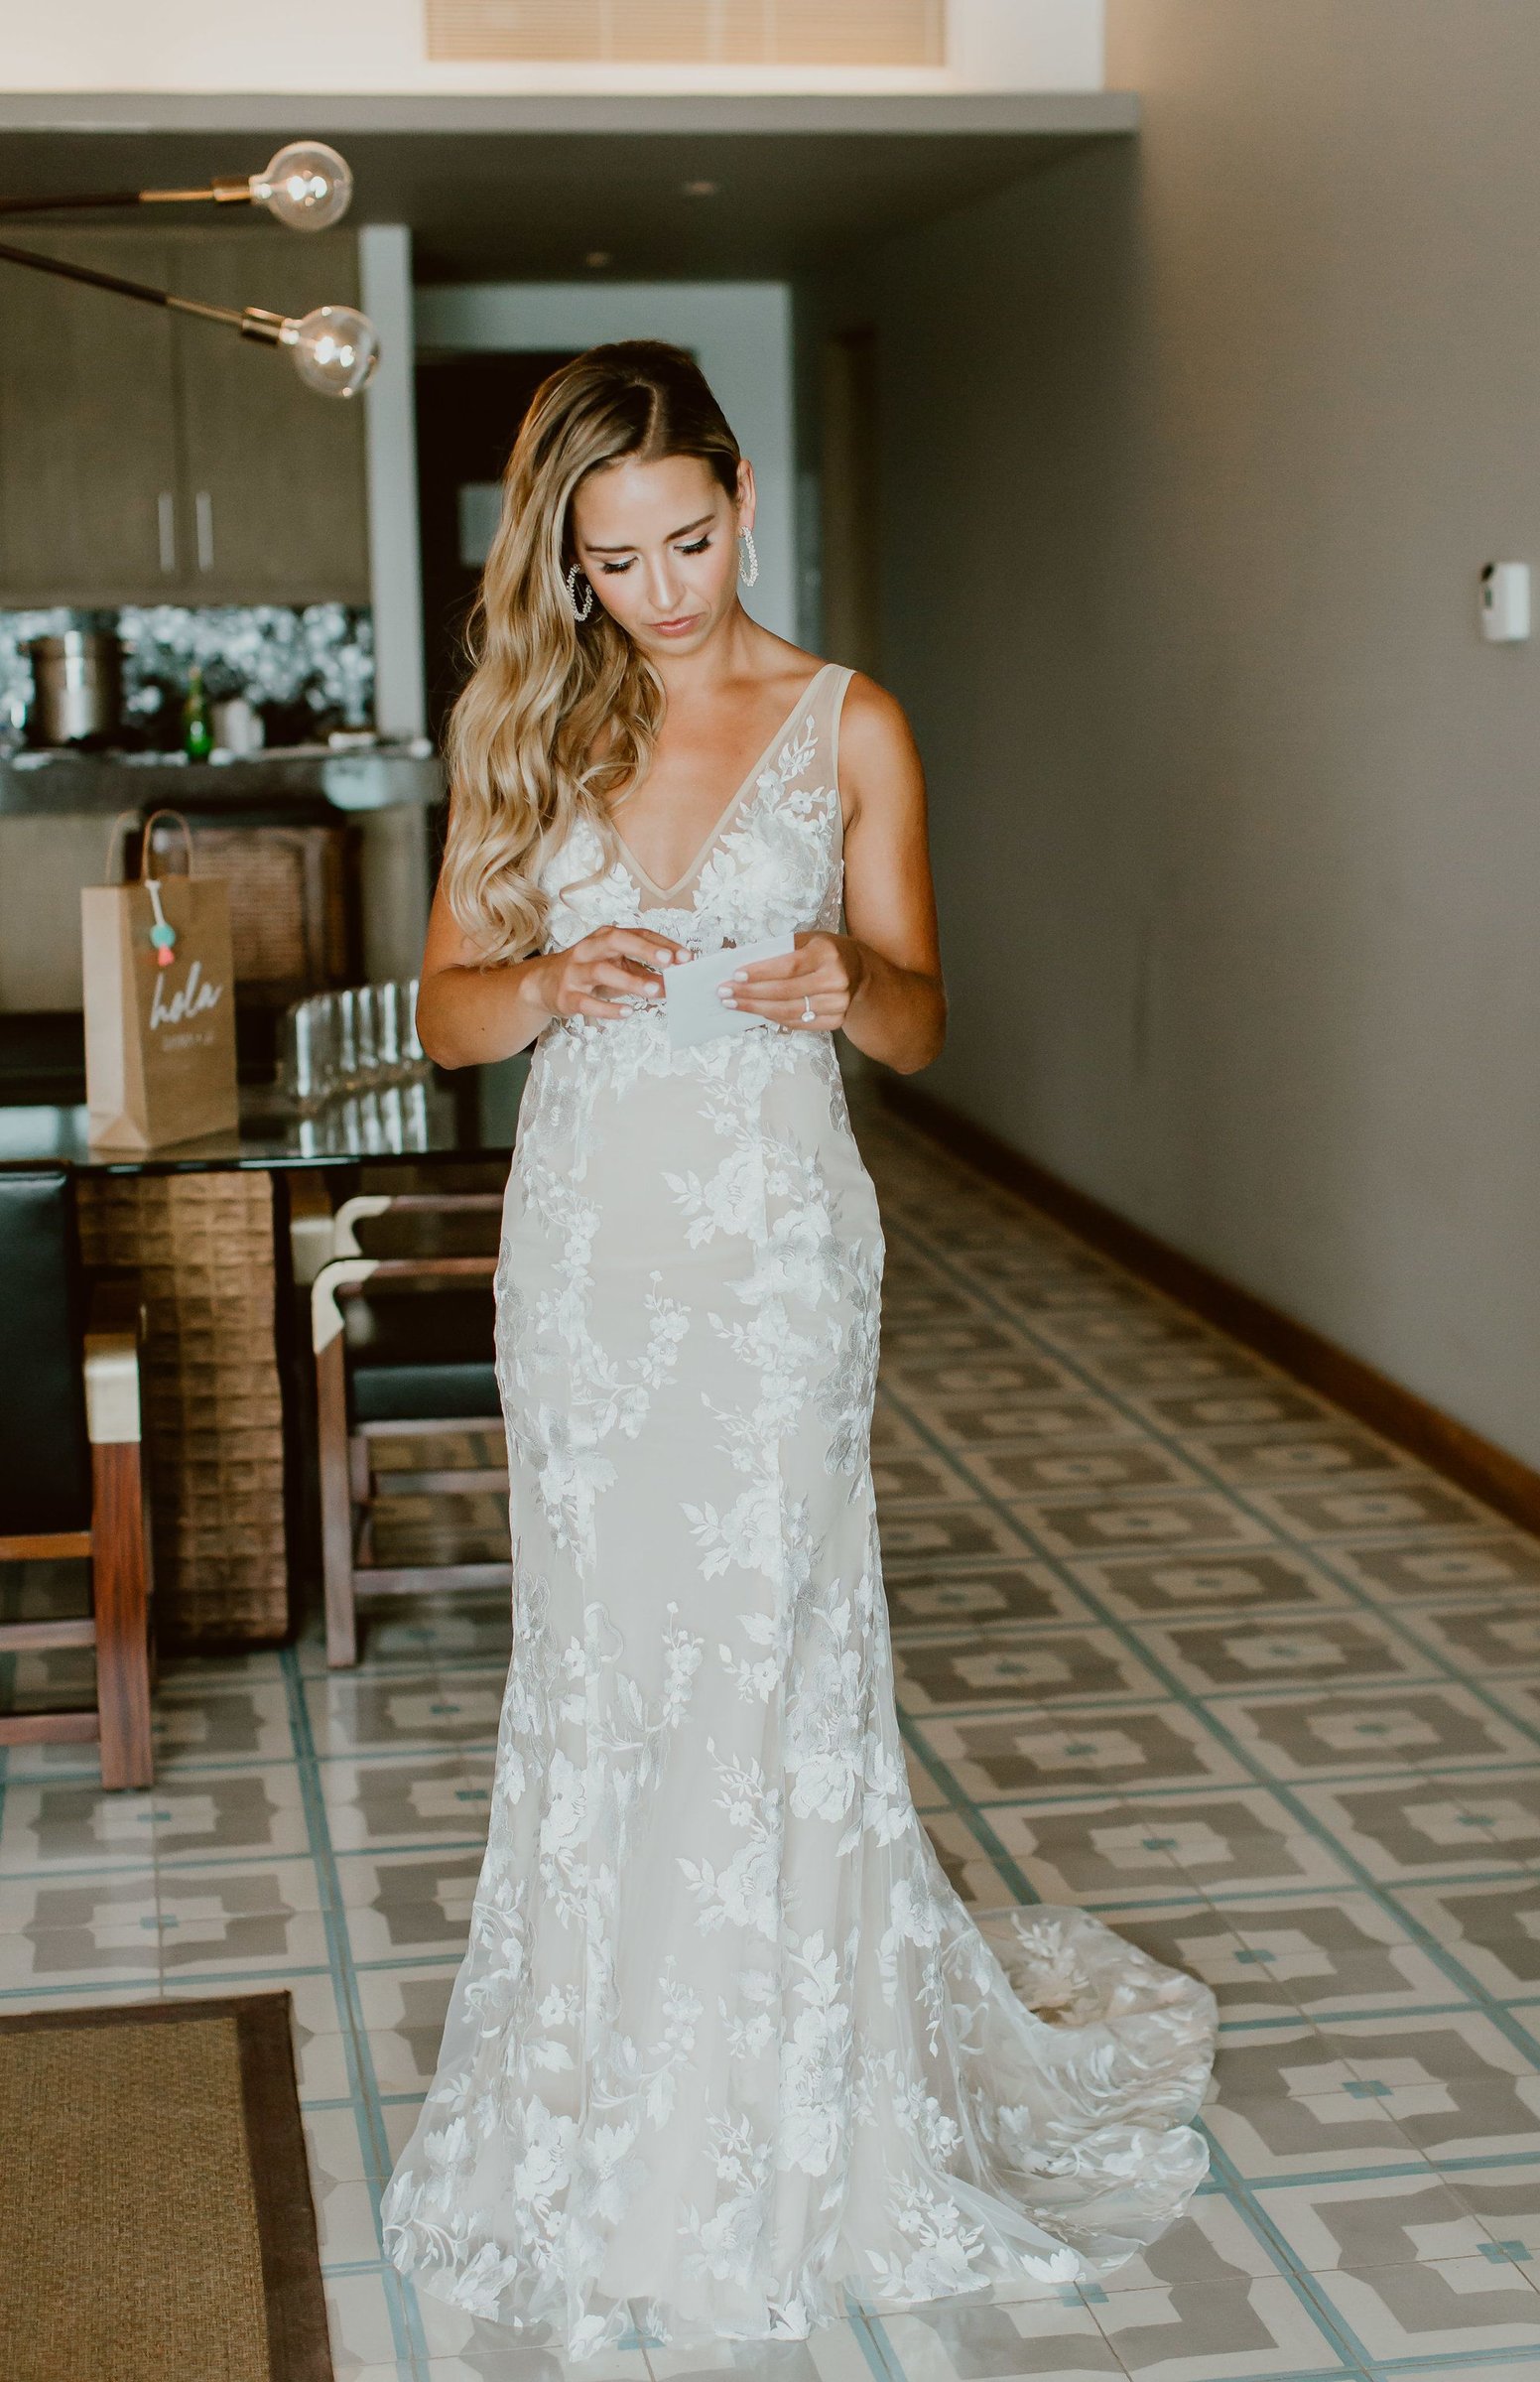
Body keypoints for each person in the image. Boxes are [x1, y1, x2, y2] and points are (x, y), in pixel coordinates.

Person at [381, 338, 1215, 2362]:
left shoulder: (847, 724)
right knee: (606, 1657)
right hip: (588, 1256)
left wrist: (854, 978)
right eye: (616, 560)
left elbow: (926, 1024)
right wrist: (546, 976)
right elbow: (440, 1020)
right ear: (563, 564)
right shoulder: (521, 728)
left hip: (768, 1258)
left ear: (739, 498)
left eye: (688, 537)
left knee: (766, 1648)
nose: (663, 589)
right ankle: (605, 2094)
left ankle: (796, 2102)